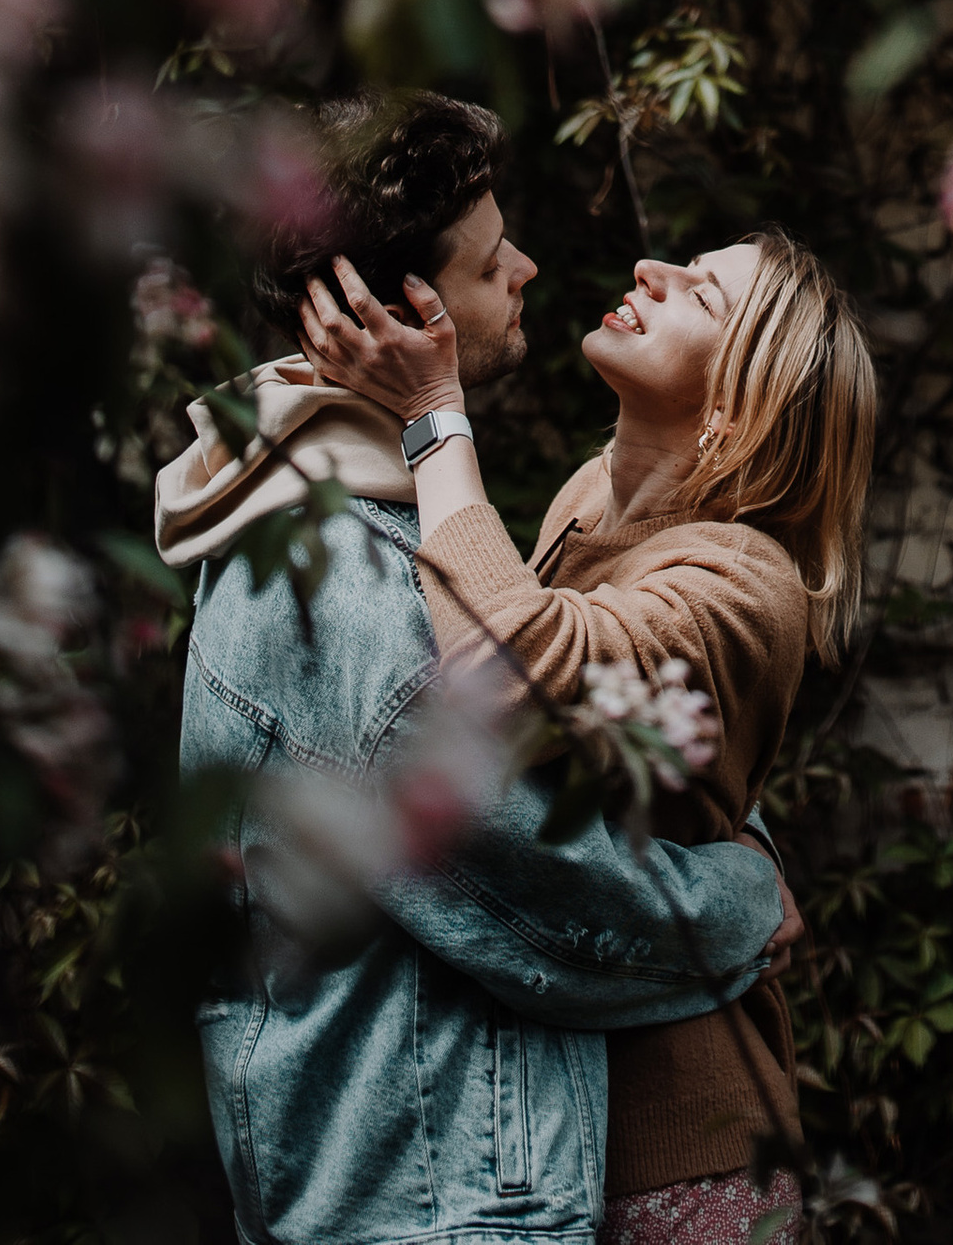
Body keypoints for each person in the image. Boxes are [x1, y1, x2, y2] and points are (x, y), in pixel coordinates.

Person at [156, 93, 796, 1245]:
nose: (530, 270)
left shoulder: (349, 522)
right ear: (405, 311)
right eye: (496, 260)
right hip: (435, 1200)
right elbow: (552, 904)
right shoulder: (350, 589)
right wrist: (747, 897)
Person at [302, 212, 876, 1245]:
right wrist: (743, 843)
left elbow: (506, 672)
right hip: (552, 1111)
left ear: (742, 402)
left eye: (700, 292)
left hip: (679, 1155)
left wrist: (437, 416)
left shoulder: (748, 578)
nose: (650, 270)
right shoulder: (588, 495)